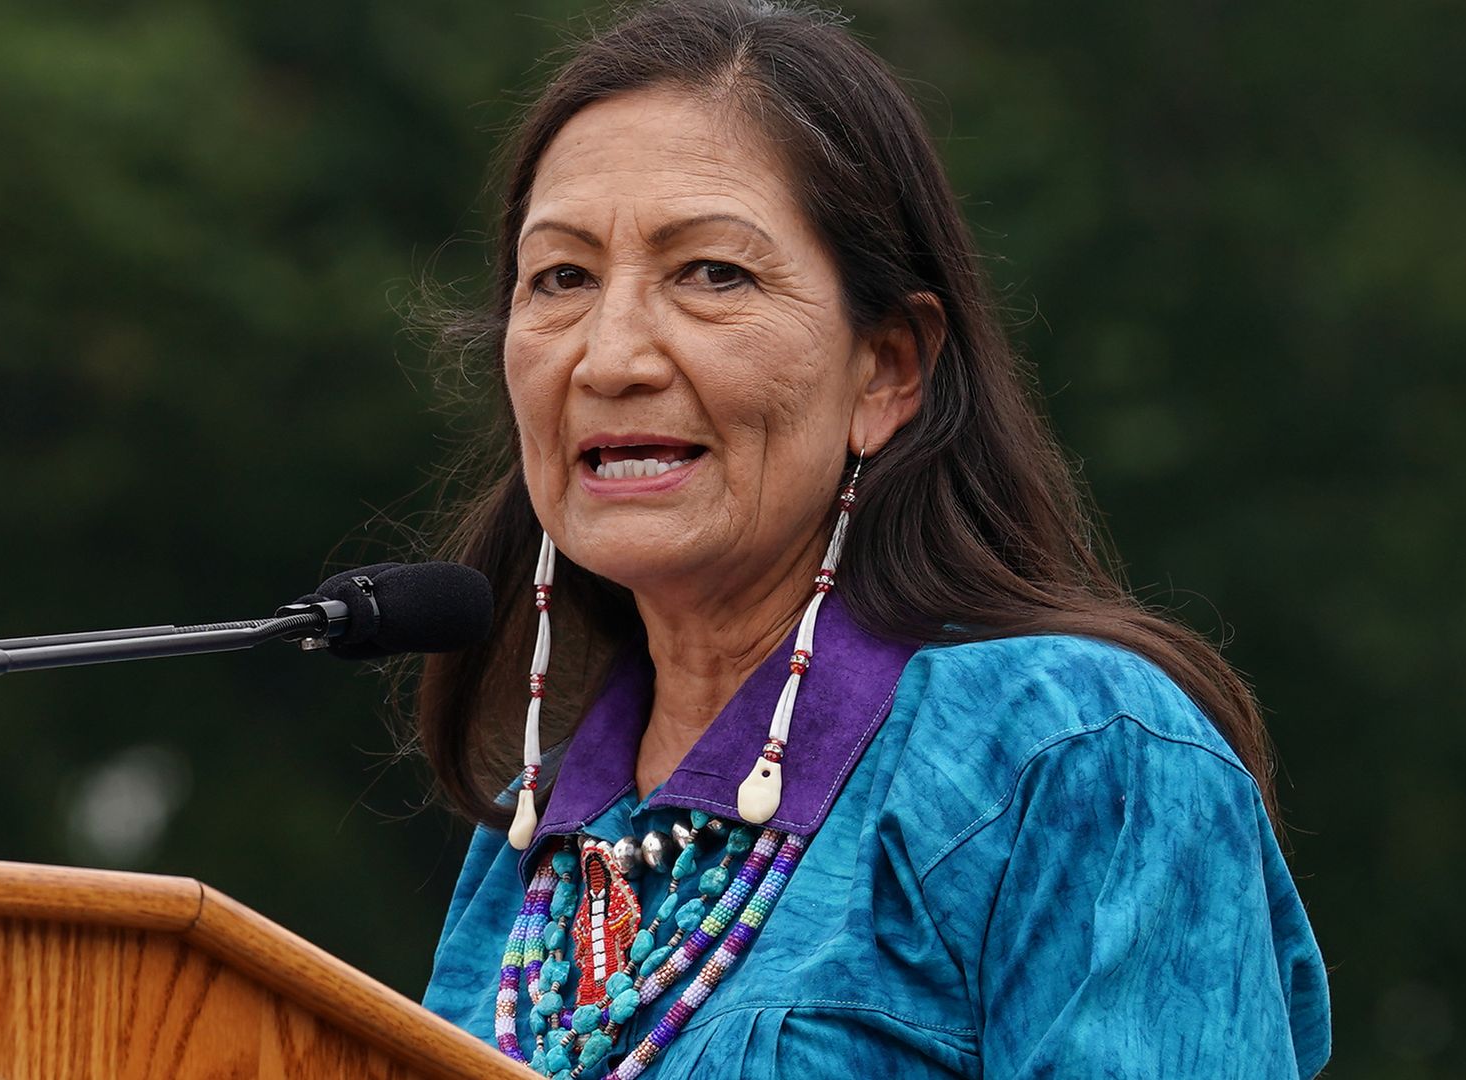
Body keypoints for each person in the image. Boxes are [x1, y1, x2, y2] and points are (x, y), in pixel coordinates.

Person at [413, 1, 1330, 1076]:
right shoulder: (530, 860)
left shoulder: (1074, 755)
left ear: (888, 368)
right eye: (561, 278)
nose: (611, 357)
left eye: (713, 274)